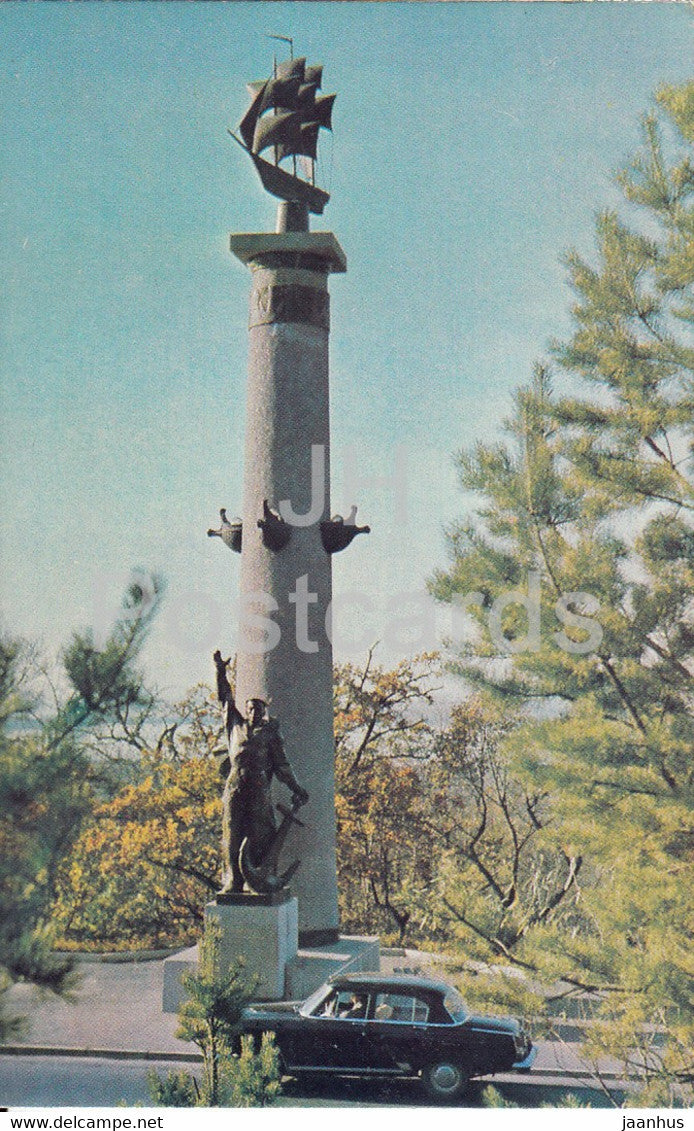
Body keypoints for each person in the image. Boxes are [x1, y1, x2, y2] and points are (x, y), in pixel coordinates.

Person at [213, 651, 309, 894]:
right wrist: (221, 672)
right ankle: (233, 880)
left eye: (258, 709)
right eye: (250, 708)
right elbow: (225, 699)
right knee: (232, 830)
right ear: (246, 710)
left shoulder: (270, 734)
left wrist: (296, 788)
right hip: (235, 783)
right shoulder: (235, 726)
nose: (253, 712)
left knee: (261, 830)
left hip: (259, 785)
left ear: (264, 711)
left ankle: (262, 877)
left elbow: (282, 766)